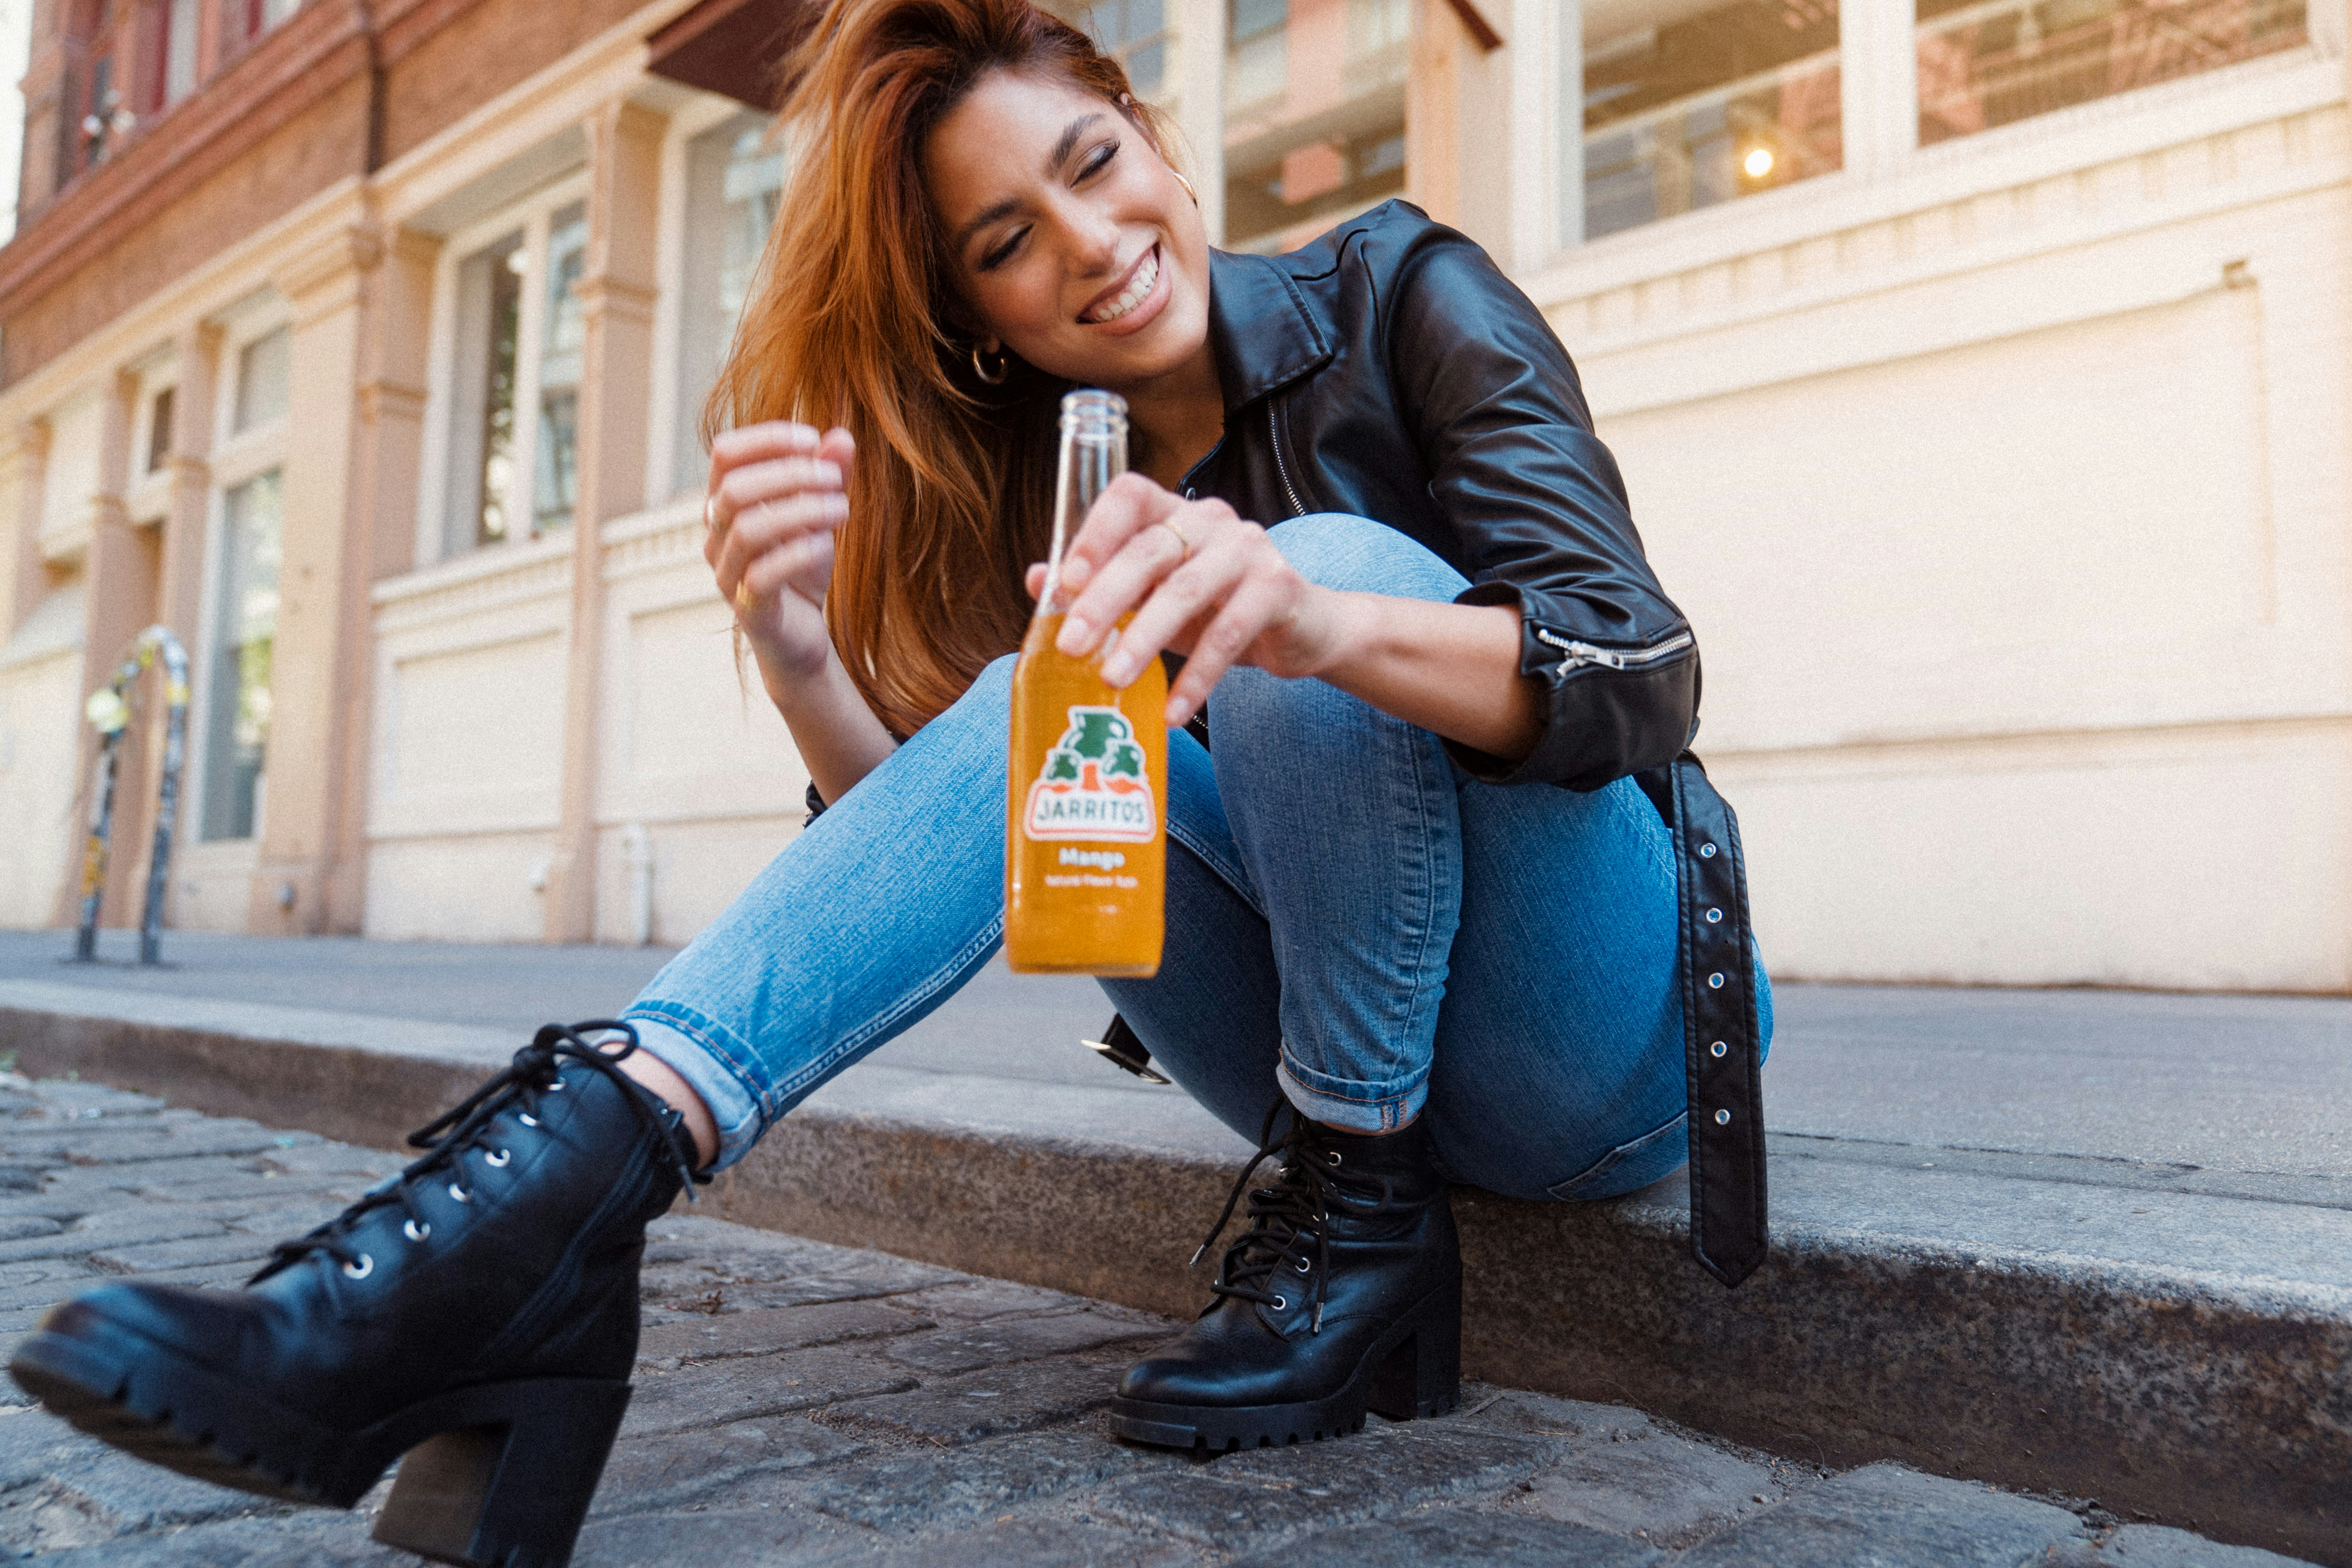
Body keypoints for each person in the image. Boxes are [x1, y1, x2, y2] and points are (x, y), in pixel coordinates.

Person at [7, 0, 1771, 1559]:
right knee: (1048, 696)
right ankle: (530, 1223)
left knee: (1331, 573)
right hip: (1319, 1081)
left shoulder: (1401, 291)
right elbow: (954, 856)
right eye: (1012, 237)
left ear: (1155, 136)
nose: (1092, 241)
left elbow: (1638, 672)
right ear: (982, 314)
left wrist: (1314, 611)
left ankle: (1369, 1218)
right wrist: (793, 650)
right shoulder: (1043, 496)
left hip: (1594, 1043)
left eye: (1096, 164)